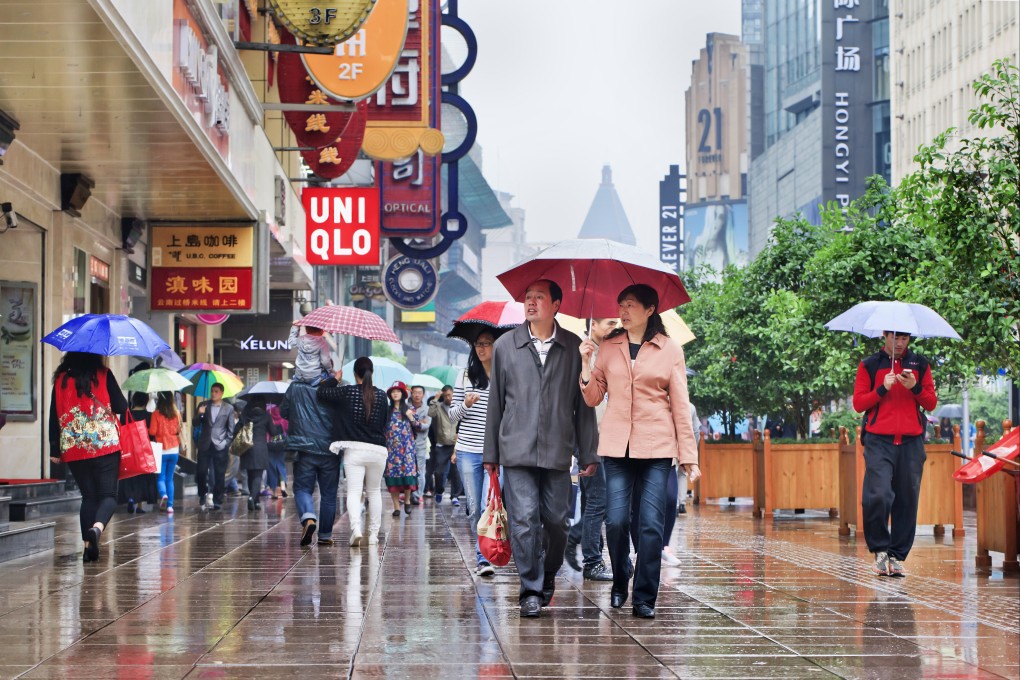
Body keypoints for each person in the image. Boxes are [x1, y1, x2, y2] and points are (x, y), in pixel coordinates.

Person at [580, 284, 700, 619]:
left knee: (650, 525)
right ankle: (621, 581)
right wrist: (586, 364)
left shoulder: (669, 349)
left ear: (649, 310)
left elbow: (680, 405)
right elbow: (592, 398)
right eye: (621, 305)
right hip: (617, 449)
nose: (623, 311)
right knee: (616, 521)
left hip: (657, 448)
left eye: (630, 305)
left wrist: (689, 457)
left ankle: (645, 596)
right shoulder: (608, 347)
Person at [484, 279, 599, 618]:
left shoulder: (574, 346)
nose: (531, 303)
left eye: (539, 298)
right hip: (515, 450)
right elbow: (496, 403)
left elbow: (583, 406)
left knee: (556, 522)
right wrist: (491, 454)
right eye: (527, 297)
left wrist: (588, 451)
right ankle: (531, 590)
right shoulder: (506, 346)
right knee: (522, 521)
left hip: (557, 451)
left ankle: (548, 573)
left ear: (557, 304)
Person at [853, 330, 937, 578]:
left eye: (904, 339)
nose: (900, 343)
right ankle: (880, 550)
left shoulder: (919, 364)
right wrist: (882, 388)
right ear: (885, 336)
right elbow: (859, 404)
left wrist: (915, 387)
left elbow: (930, 402)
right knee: (877, 495)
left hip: (911, 441)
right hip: (879, 440)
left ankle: (896, 556)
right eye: (895, 338)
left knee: (907, 499)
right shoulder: (869, 365)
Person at [48, 352, 128, 562]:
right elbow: (121, 406)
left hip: (74, 446)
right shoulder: (103, 374)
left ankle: (87, 547)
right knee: (108, 495)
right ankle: (97, 529)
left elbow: (53, 414)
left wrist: (54, 449)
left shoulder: (61, 379)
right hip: (105, 444)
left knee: (89, 497)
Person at [565, 318, 618, 581]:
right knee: (599, 500)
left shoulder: (608, 354)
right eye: (609, 322)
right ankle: (592, 559)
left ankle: (588, 549)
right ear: (592, 324)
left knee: (591, 500)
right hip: (588, 439)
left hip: (607, 437)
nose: (614, 326)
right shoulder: (582, 354)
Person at [317, 357, 389, 547]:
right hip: (378, 451)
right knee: (374, 492)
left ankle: (356, 530)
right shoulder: (382, 395)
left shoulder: (347, 392)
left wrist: (335, 379)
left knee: (354, 492)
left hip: (355, 451)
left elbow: (322, 392)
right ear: (371, 373)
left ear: (354, 373)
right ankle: (373, 535)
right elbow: (384, 423)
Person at [450, 330, 498, 577]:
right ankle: (482, 558)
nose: (481, 349)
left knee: (489, 505)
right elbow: (452, 415)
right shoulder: (466, 376)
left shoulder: (504, 375)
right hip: (468, 450)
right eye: (478, 344)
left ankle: (490, 552)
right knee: (475, 506)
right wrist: (466, 404)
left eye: (487, 344)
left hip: (494, 452)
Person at [281, 378, 337, 546]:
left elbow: (284, 411)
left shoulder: (296, 387)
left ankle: (308, 518)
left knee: (303, 488)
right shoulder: (334, 388)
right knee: (328, 494)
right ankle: (325, 535)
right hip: (330, 448)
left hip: (304, 448)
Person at [195, 383, 237, 510]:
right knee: (201, 472)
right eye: (212, 391)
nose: (213, 393)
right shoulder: (203, 405)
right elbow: (195, 423)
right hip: (205, 444)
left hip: (220, 445)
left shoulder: (228, 408)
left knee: (219, 474)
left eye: (216, 391)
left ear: (222, 393)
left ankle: (217, 500)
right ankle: (202, 493)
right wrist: (200, 414)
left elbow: (231, 429)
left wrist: (226, 443)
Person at [237, 395, 281, 512]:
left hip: (246, 448)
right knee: (258, 475)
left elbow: (236, 430)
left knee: (251, 475)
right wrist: (278, 427)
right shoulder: (266, 416)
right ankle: (252, 497)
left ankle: (255, 501)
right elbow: (273, 432)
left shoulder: (245, 415)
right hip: (260, 448)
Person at [384, 381, 419, 517]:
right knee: (392, 477)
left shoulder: (409, 409)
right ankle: (396, 507)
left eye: (398, 391)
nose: (395, 393)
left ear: (403, 394)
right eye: (393, 391)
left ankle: (408, 499)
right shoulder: (387, 411)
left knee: (408, 475)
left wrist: (411, 417)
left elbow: (418, 426)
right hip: (391, 450)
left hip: (407, 449)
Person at [149, 391, 182, 515]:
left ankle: (163, 494)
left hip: (161, 449)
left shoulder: (156, 414)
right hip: (174, 449)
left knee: (161, 478)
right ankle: (170, 507)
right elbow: (179, 429)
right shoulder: (176, 413)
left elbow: (152, 431)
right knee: (170, 478)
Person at [427, 386, 460, 507]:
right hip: (441, 444)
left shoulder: (458, 406)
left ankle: (455, 496)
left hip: (455, 444)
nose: (449, 398)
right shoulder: (439, 407)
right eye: (446, 395)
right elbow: (430, 413)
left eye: (450, 395)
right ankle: (439, 490)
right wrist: (435, 398)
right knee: (439, 472)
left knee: (456, 472)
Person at [408, 385, 431, 505]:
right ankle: (408, 493)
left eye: (419, 393)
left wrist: (412, 421)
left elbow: (425, 426)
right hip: (406, 445)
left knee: (420, 471)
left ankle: (418, 495)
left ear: (423, 395)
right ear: (411, 394)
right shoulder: (406, 407)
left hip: (420, 445)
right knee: (408, 471)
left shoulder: (427, 410)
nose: (417, 395)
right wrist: (418, 422)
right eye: (415, 392)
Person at [265, 402, 289, 499]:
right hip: (282, 444)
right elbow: (287, 428)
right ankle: (283, 486)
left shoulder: (268, 412)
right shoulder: (284, 414)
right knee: (281, 465)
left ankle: (274, 490)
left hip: (269, 443)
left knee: (271, 467)